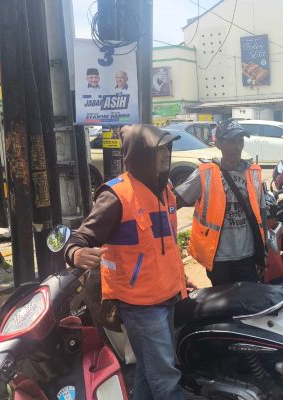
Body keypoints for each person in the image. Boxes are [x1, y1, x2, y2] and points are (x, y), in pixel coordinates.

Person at [64, 124, 193, 400]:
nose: (166, 154)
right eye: (159, 149)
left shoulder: (164, 189)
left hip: (166, 294)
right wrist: (74, 251)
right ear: (141, 154)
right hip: (141, 304)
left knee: (148, 372)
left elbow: (164, 246)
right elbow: (83, 235)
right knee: (165, 377)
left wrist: (181, 280)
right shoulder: (117, 195)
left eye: (167, 148)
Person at [174, 119, 266, 286]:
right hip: (218, 258)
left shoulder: (253, 172)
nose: (237, 147)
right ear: (219, 143)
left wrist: (262, 252)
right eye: (231, 141)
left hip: (248, 256)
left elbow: (261, 214)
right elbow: (174, 202)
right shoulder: (205, 173)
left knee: (250, 305)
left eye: (240, 141)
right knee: (224, 306)